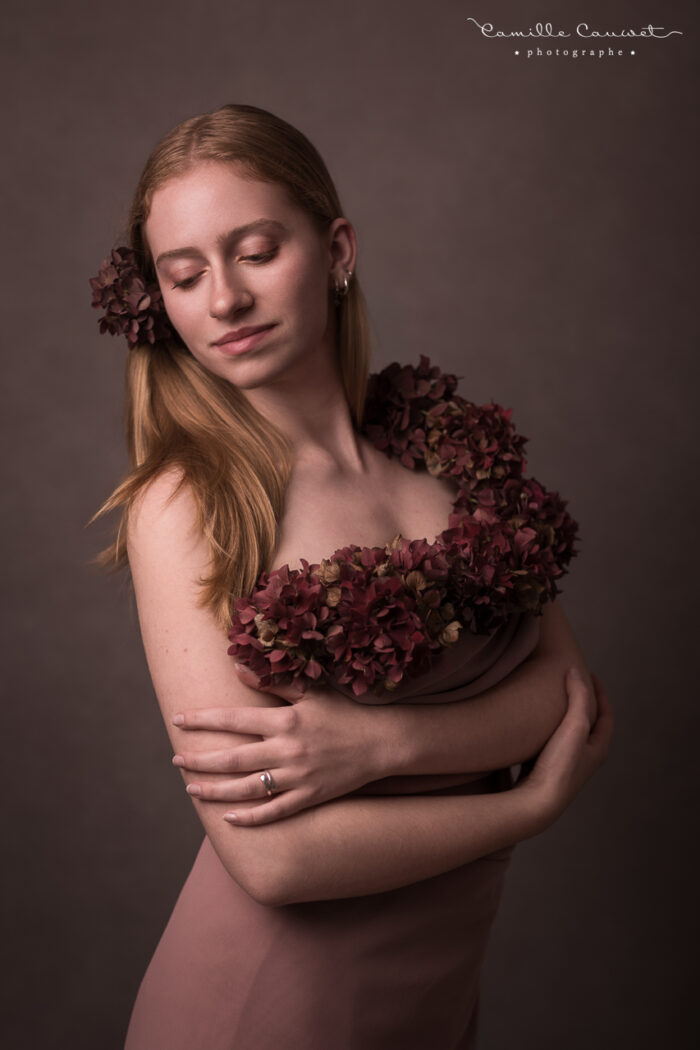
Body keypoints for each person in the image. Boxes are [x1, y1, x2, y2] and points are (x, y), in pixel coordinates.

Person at [88, 103, 613, 1050]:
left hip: (434, 999)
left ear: (337, 249)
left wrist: (379, 749)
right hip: (263, 1010)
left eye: (254, 251)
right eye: (185, 275)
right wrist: (525, 805)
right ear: (158, 299)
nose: (224, 302)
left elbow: (567, 694)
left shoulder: (447, 451)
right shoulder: (188, 499)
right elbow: (273, 860)